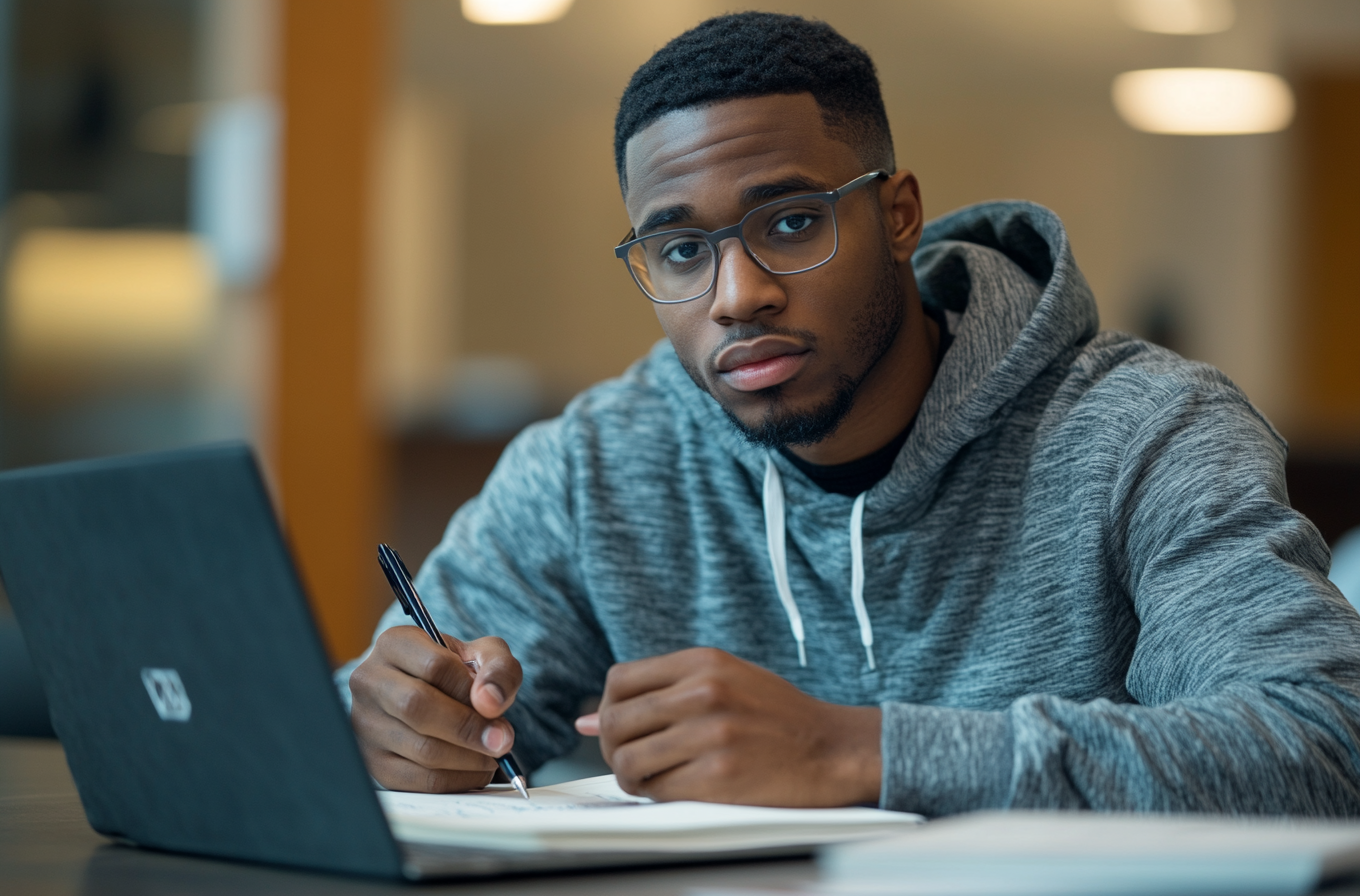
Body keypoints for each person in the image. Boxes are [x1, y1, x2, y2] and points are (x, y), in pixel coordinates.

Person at [338, 12, 1360, 815]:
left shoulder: (1146, 432)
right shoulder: (593, 467)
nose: (735, 293)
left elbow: (1323, 742)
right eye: (681, 249)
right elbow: (378, 711)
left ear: (898, 213)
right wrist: (395, 725)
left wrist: (855, 749)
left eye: (789, 222)